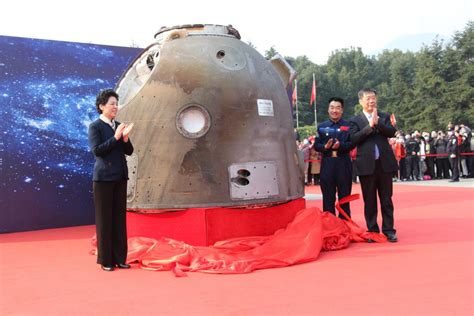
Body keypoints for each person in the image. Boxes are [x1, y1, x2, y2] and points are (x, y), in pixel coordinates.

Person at [88, 89, 134, 271]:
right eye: (112, 104)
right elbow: (97, 151)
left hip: (120, 176)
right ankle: (106, 260)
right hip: (104, 179)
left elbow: (129, 151)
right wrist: (115, 138)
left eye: (117, 103)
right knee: (105, 219)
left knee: (119, 219)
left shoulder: (119, 125)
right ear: (101, 106)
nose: (116, 107)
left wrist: (125, 138)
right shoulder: (95, 126)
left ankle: (120, 258)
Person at [349, 89, 398, 242]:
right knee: (369, 200)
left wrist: (378, 124)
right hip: (366, 165)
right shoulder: (355, 120)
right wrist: (369, 126)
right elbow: (354, 139)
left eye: (374, 98)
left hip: (384, 165)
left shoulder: (383, 116)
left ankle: (389, 230)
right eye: (368, 98)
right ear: (361, 101)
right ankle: (372, 229)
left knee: (386, 199)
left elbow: (391, 132)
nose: (372, 101)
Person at [314, 97, 354, 219]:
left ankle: (346, 225)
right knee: (327, 197)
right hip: (327, 164)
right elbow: (316, 145)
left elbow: (352, 144)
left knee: (344, 197)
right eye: (332, 107)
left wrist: (340, 145)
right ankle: (330, 225)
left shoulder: (349, 126)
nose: (334, 110)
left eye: (337, 108)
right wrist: (325, 147)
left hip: (343, 163)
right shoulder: (321, 126)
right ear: (328, 109)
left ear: (342, 110)